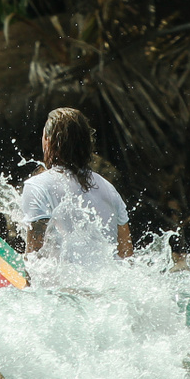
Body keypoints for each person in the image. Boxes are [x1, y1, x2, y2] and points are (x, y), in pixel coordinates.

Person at [18, 107, 131, 266]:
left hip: (62, 281)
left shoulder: (37, 186)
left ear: (48, 141)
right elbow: (126, 256)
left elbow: (34, 257)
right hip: (109, 280)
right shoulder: (110, 190)